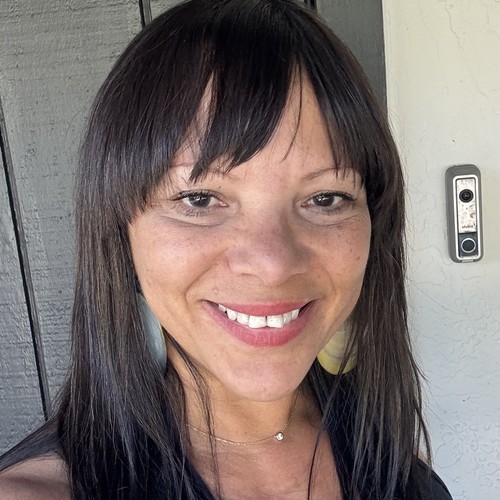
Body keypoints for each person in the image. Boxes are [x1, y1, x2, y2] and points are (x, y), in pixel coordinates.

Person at [0, 0, 454, 498]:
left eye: (325, 198)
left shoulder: (394, 461)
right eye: (199, 199)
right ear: (121, 231)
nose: (272, 264)